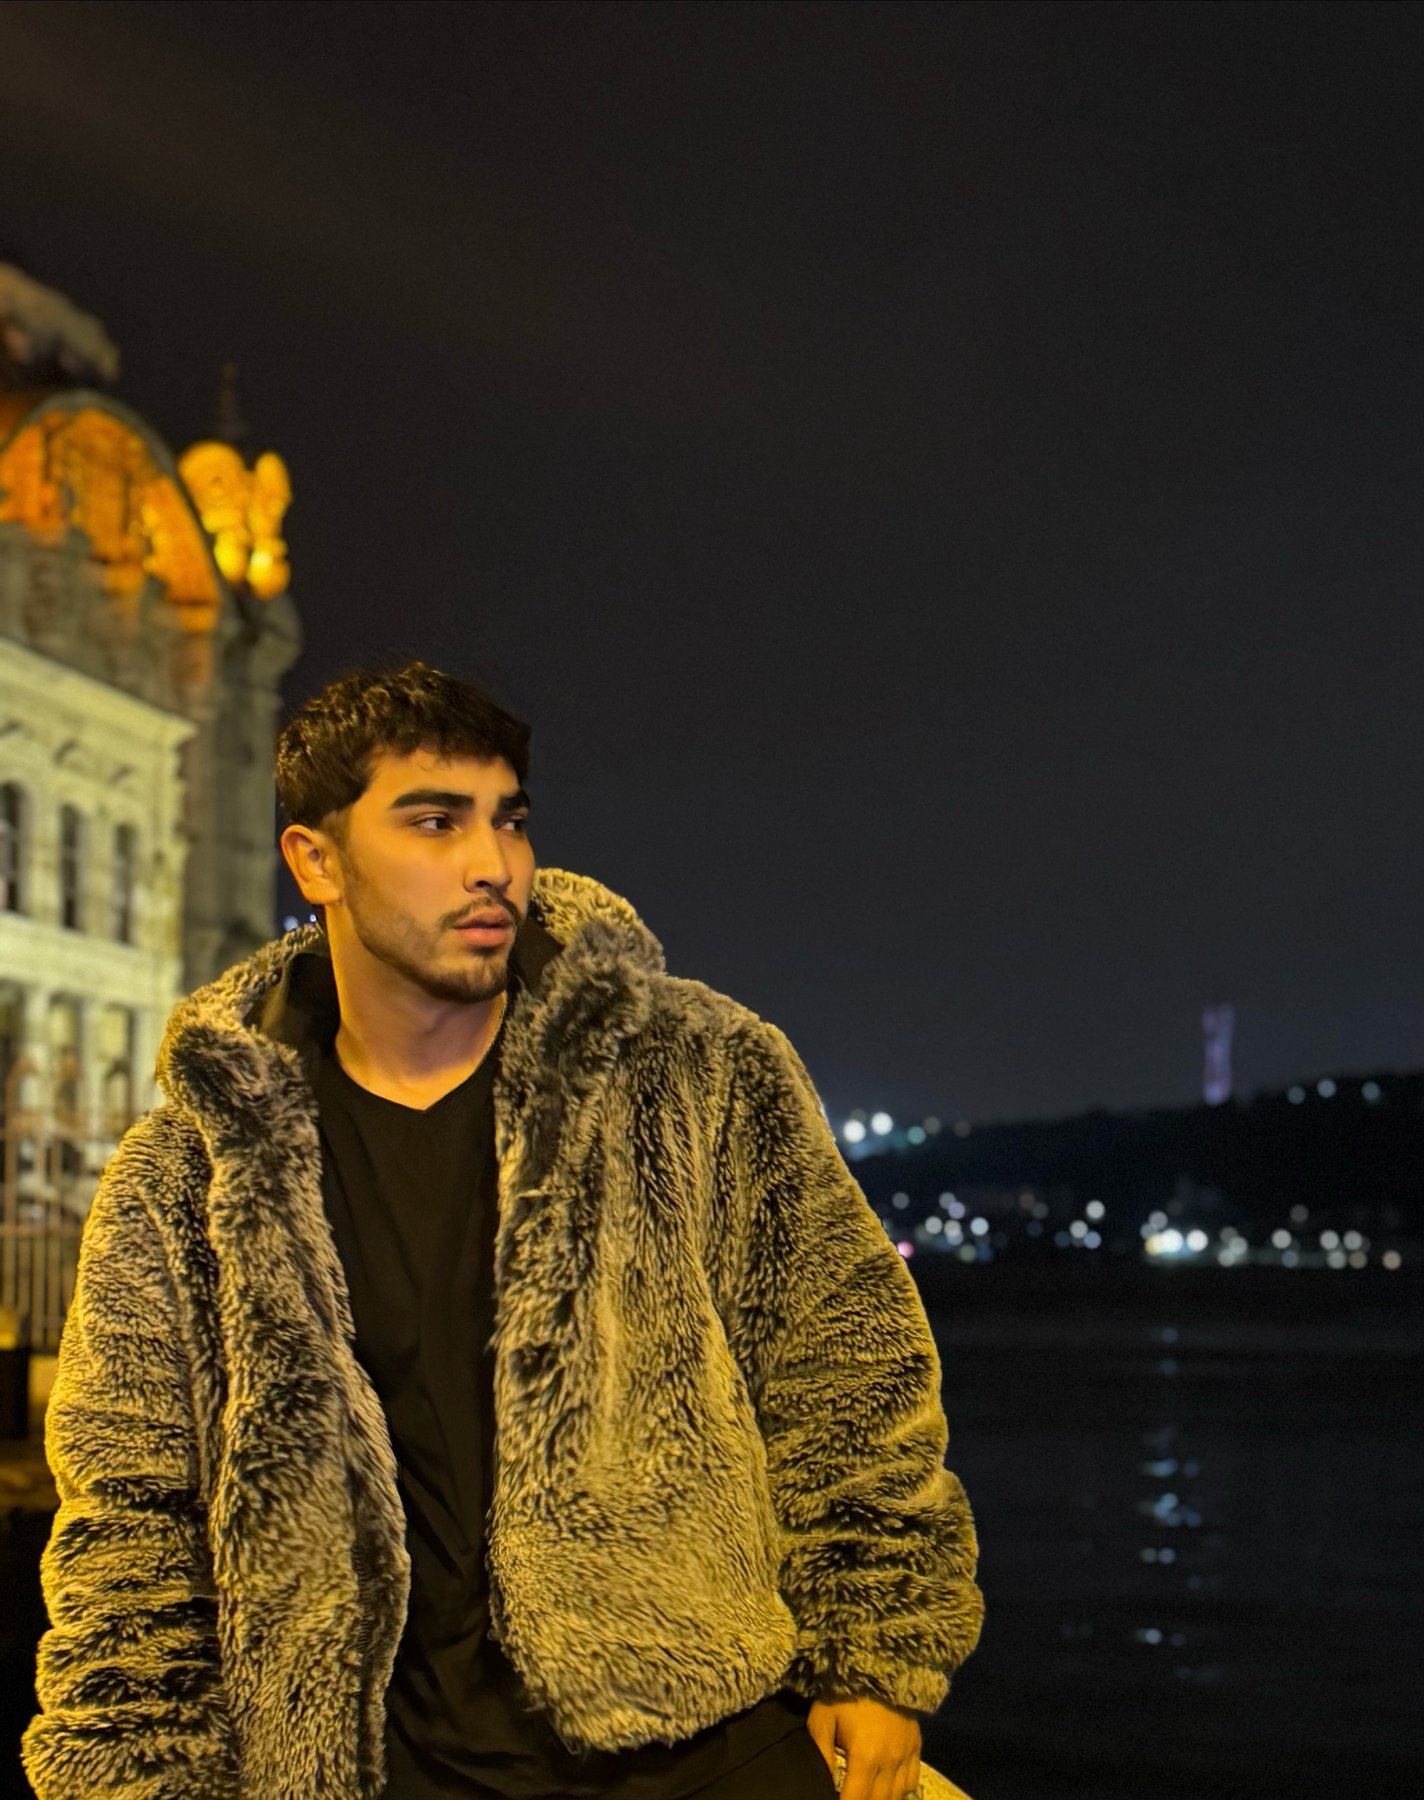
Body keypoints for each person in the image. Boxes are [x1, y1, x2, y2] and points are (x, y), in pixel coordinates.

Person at [23, 662, 983, 1800]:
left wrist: (873, 1657)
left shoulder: (695, 1068)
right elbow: (132, 1517)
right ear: (315, 861)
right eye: (435, 822)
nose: (493, 863)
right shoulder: (188, 1171)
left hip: (701, 1747)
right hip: (378, 1774)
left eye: (509, 820)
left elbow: (843, 1360)